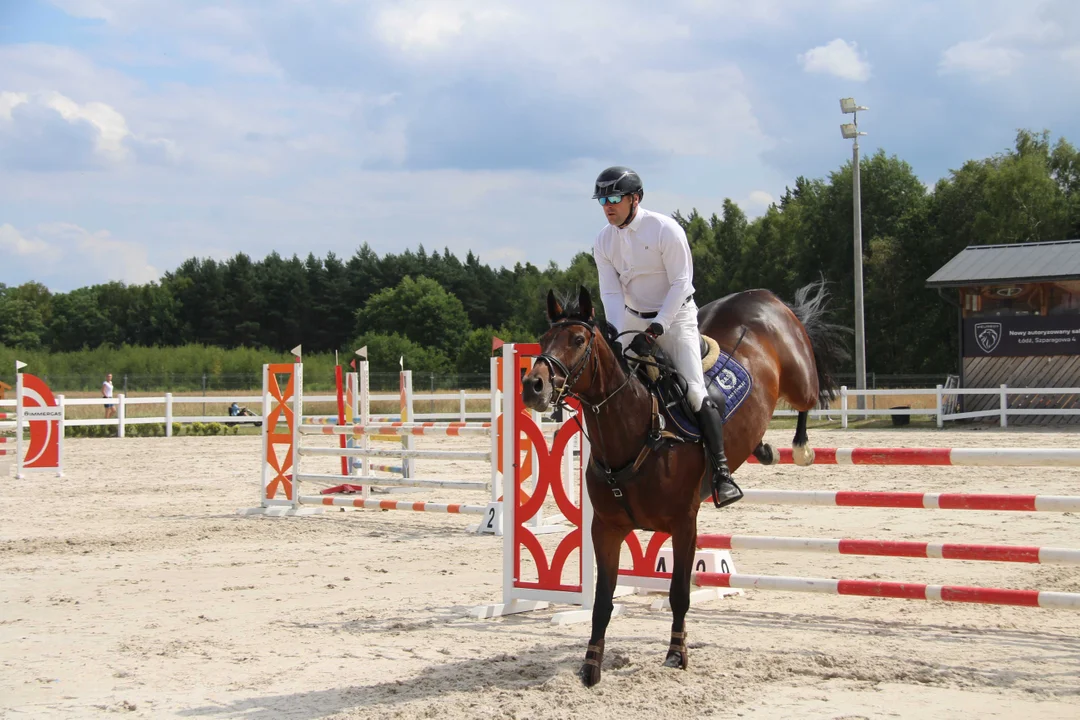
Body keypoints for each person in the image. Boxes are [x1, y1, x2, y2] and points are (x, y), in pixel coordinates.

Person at [590, 165, 742, 507]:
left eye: (614, 198)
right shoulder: (603, 240)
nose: (608, 206)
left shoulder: (665, 230)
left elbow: (680, 284)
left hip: (675, 319)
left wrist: (657, 327)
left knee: (692, 390)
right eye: (602, 200)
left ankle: (722, 474)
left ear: (635, 198)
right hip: (631, 318)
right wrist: (616, 330)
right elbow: (611, 294)